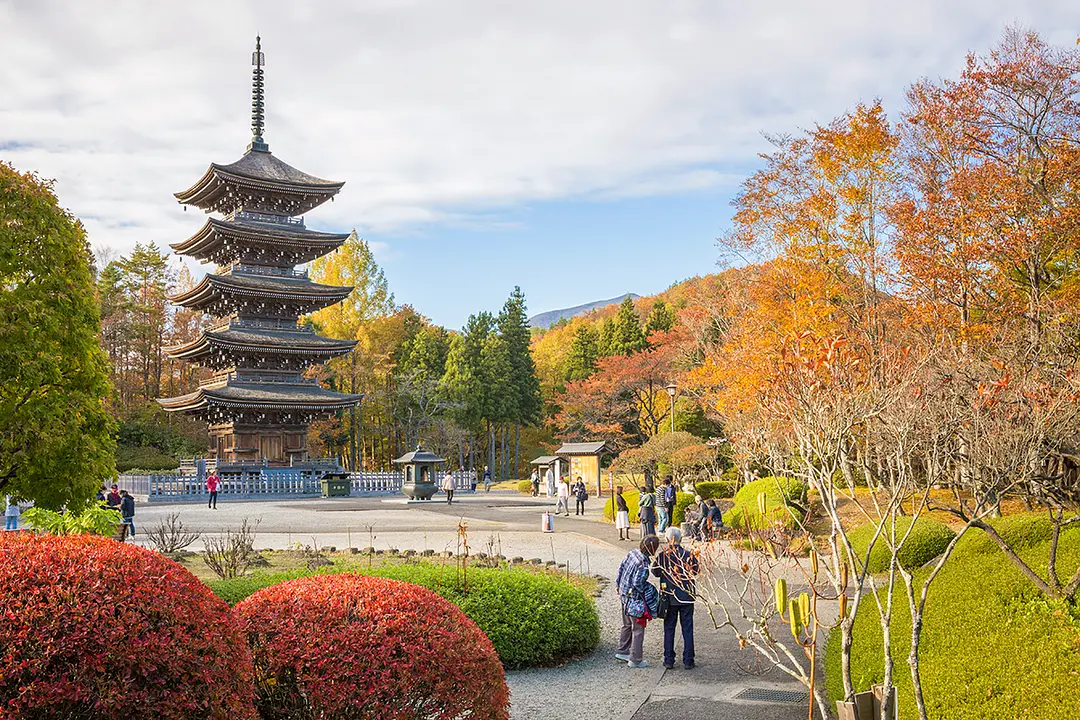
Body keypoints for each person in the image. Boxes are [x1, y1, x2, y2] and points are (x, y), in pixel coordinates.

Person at [653, 527, 699, 670]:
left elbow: (655, 572)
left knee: (669, 628)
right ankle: (688, 660)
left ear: (667, 540)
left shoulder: (663, 556)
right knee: (687, 628)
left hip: (670, 596)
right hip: (686, 595)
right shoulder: (688, 555)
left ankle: (669, 659)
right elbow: (696, 570)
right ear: (680, 539)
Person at [616, 535, 661, 668]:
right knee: (638, 629)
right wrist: (646, 590)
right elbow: (637, 583)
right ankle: (635, 659)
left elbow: (621, 568)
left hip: (623, 594)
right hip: (634, 599)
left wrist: (618, 585)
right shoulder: (643, 564)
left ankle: (623, 650)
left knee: (626, 624)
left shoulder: (632, 553)